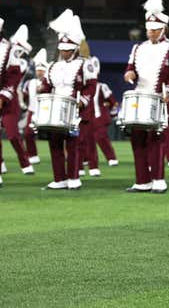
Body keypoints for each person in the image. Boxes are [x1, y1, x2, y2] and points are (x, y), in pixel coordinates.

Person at [124, 0, 169, 194]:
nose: (150, 32)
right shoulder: (138, 48)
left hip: (161, 100)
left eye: (154, 29)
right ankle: (142, 181)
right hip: (140, 98)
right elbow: (130, 67)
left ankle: (159, 180)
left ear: (163, 29)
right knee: (137, 140)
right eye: (148, 29)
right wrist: (129, 74)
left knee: (157, 139)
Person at [41, 11, 97, 190]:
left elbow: (91, 86)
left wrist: (84, 102)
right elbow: (47, 86)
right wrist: (42, 93)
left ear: (74, 49)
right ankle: (59, 179)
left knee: (74, 144)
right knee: (55, 144)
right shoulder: (53, 66)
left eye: (67, 50)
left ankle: (73, 178)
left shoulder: (85, 64)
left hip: (75, 110)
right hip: (56, 109)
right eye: (62, 50)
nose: (64, 53)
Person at [0, 24, 35, 181]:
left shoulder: (20, 61)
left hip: (10, 98)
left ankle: (25, 162)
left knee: (13, 135)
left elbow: (14, 79)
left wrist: (3, 97)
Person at [90, 56, 119, 167]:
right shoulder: (83, 88)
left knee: (101, 137)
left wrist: (113, 113)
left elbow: (112, 101)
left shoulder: (102, 86)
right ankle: (87, 160)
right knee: (86, 140)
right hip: (87, 117)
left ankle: (111, 158)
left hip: (100, 117)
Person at [22, 48, 48, 166]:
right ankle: (33, 156)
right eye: (38, 70)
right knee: (28, 133)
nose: (39, 72)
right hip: (33, 111)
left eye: (42, 70)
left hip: (47, 111)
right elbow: (25, 96)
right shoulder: (29, 83)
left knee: (55, 136)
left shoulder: (49, 82)